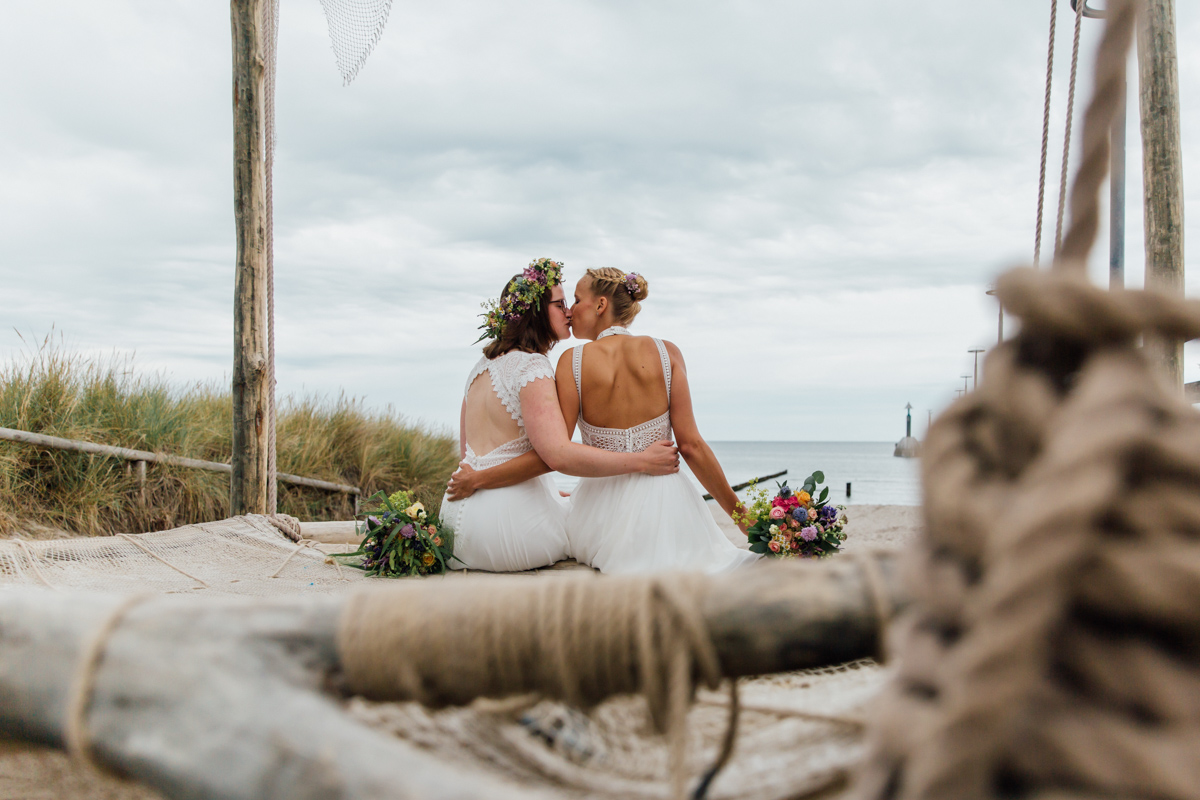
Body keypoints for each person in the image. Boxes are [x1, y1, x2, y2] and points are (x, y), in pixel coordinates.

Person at [440, 258, 680, 572]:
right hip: (506, 533)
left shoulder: (478, 370)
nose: (568, 311)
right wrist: (642, 461)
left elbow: (471, 457)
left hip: (453, 526)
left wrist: (479, 481)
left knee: (575, 503)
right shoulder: (532, 367)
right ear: (537, 312)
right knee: (588, 529)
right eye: (561, 303)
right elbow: (556, 455)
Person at [557, 267, 758, 574]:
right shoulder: (667, 352)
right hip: (667, 508)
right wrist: (743, 519)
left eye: (576, 299)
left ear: (600, 305)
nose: (570, 310)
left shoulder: (570, 361)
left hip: (598, 514)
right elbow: (691, 447)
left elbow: (561, 453)